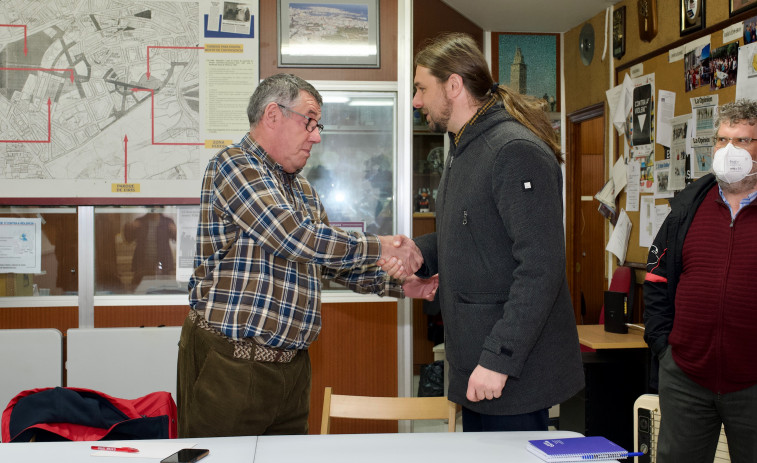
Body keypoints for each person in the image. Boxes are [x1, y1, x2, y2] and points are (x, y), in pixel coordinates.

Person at [181, 73, 431, 437]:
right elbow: (293, 236)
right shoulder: (234, 166)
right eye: (309, 122)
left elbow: (330, 261)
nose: (316, 136)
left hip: (291, 370)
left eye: (318, 126)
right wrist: (382, 245)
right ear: (272, 115)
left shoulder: (303, 190)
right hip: (230, 365)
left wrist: (400, 285)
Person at [402, 32, 585, 432]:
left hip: (508, 372)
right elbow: (477, 234)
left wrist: (498, 359)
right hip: (477, 366)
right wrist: (417, 252)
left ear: (453, 85)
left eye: (420, 88)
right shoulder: (463, 147)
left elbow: (541, 267)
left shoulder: (512, 151)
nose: (416, 101)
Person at [643, 99, 757, 463]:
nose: (728, 150)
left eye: (741, 141)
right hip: (686, 379)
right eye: (722, 141)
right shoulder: (687, 208)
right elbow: (656, 277)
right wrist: (664, 347)